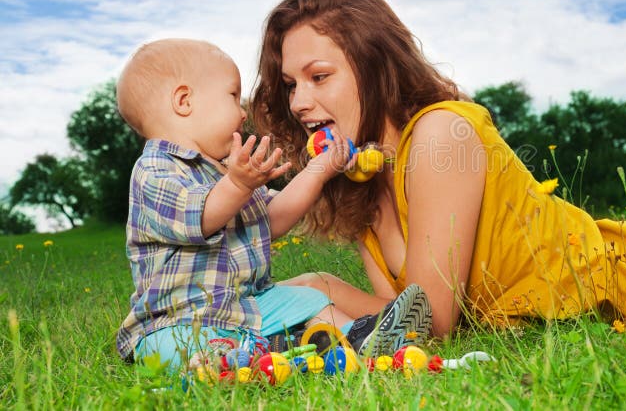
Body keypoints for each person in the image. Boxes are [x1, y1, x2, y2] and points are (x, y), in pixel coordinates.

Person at [251, 0, 626, 337]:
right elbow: (398, 321)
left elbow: (432, 321)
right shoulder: (361, 185)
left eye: (319, 77)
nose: (299, 102)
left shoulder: (442, 132)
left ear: (374, 67)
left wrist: (318, 286)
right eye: (291, 84)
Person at [115, 38, 432, 367]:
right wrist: (238, 184)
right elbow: (200, 217)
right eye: (232, 96)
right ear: (184, 101)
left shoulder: (223, 173)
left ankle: (363, 337)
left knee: (308, 300)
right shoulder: (154, 170)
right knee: (176, 347)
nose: (242, 112)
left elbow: (272, 218)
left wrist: (319, 171)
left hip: (245, 308)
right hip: (179, 320)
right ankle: (224, 363)